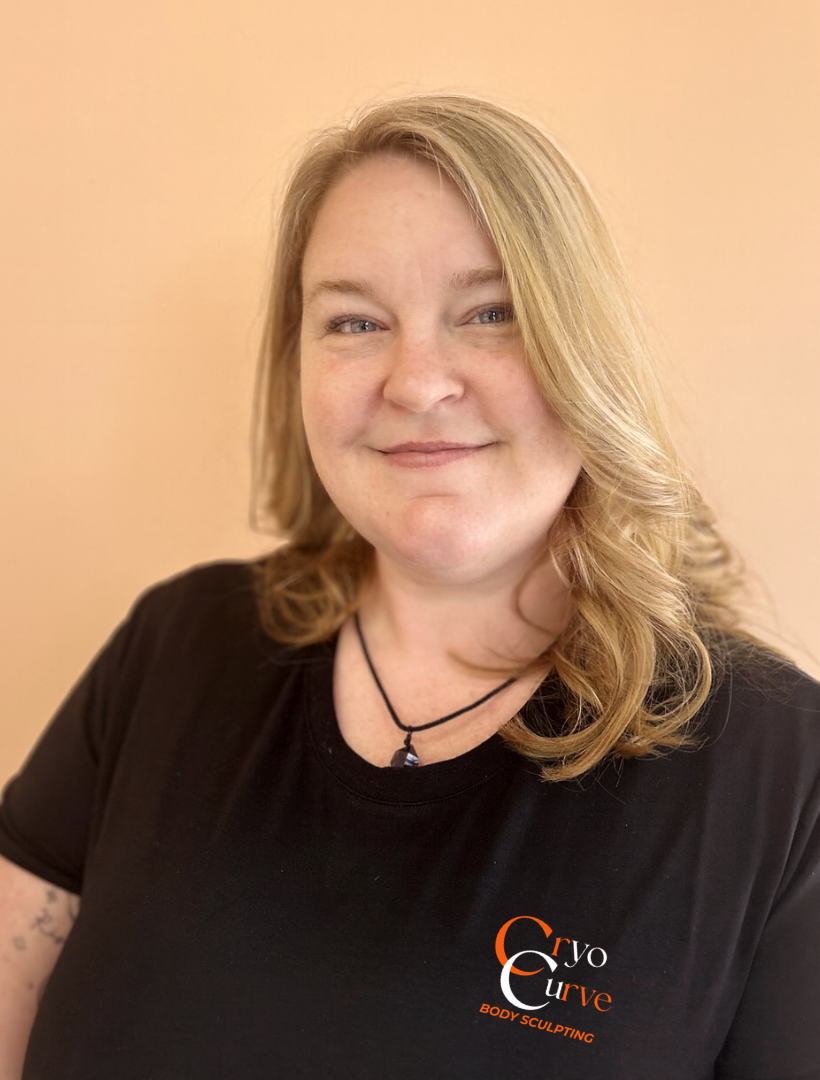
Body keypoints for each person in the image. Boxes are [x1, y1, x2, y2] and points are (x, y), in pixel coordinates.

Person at [0, 94, 818, 1079]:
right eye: (354, 321)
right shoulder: (177, 643)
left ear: (586, 349)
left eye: (490, 313)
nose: (416, 382)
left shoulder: (778, 770)